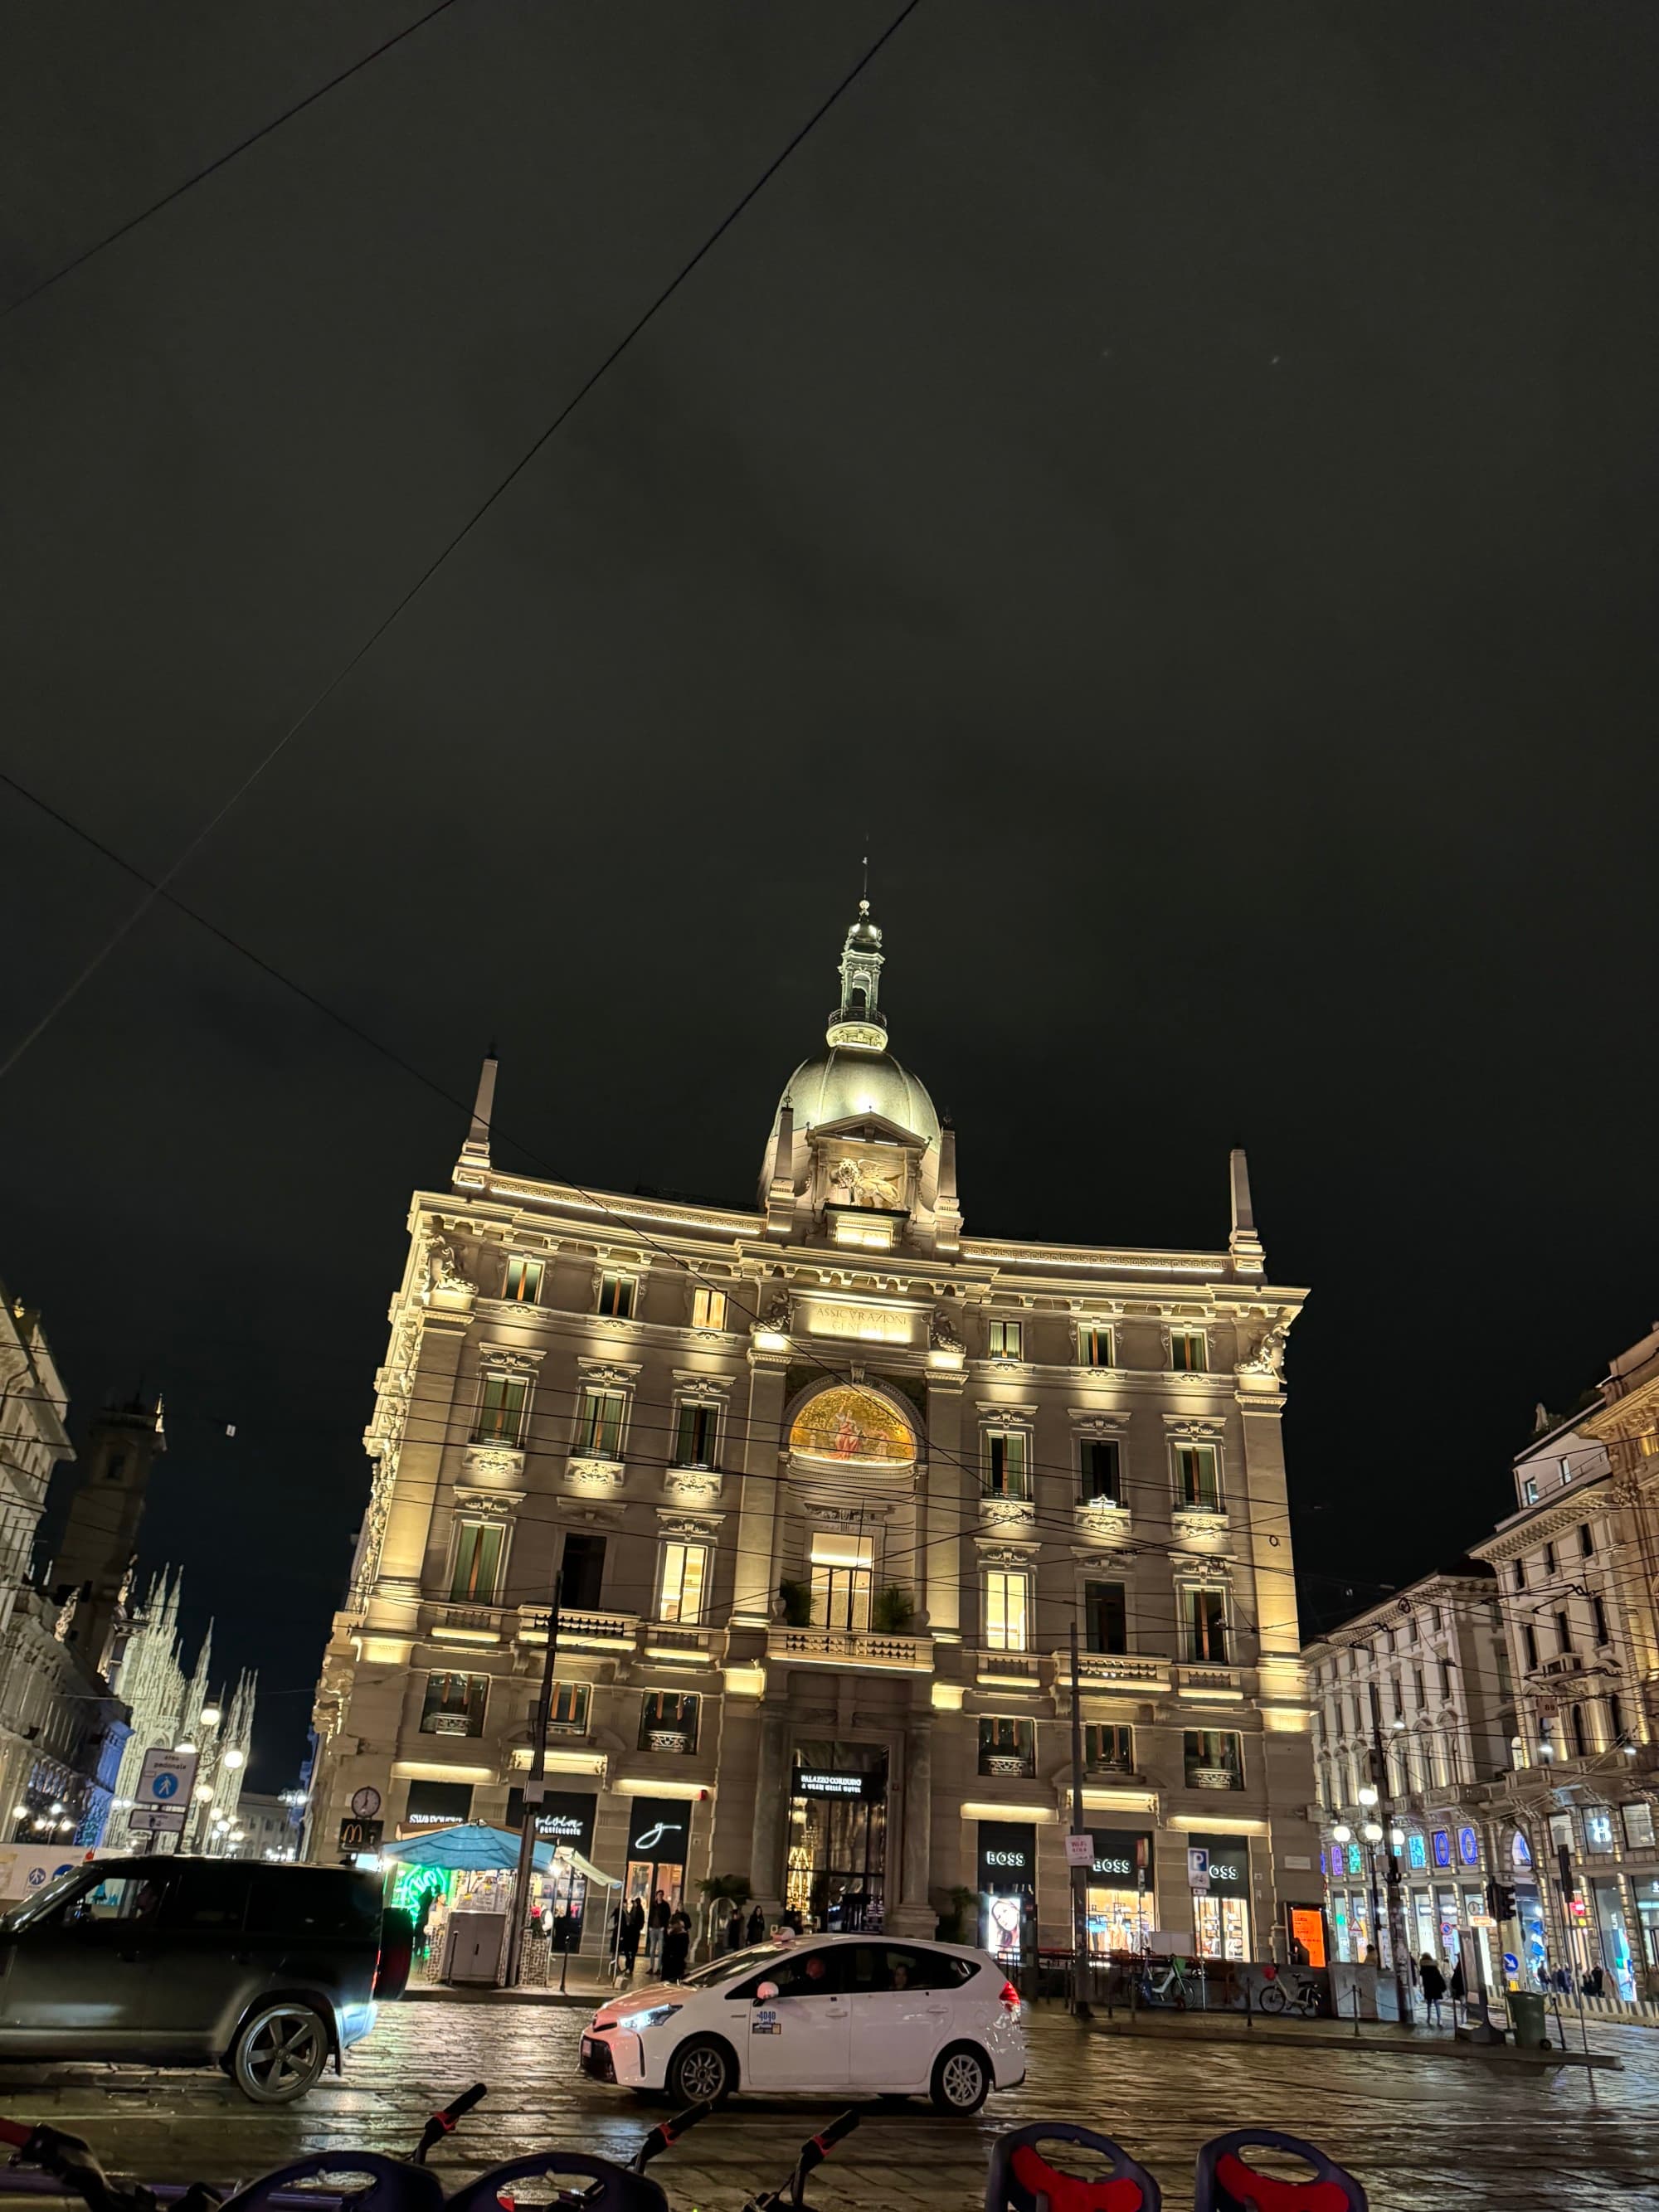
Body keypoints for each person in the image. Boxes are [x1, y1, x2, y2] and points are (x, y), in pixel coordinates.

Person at [661, 1911, 690, 1983]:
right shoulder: (678, 1935)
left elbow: (680, 1952)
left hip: (673, 1965)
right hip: (673, 1965)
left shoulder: (679, 1936)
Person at [1419, 1953, 1447, 2027]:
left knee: (1429, 2004)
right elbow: (1439, 1977)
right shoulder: (1434, 1966)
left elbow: (1421, 1976)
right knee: (1437, 2004)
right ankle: (1439, 2019)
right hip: (1435, 1987)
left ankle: (1429, 2018)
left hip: (1428, 1988)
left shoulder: (1423, 1967)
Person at [647, 1889, 670, 1973]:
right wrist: (649, 1926)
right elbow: (650, 1916)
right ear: (656, 1896)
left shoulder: (665, 1905)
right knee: (652, 1949)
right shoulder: (653, 1905)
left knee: (660, 1950)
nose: (660, 1896)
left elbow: (668, 1917)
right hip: (653, 1929)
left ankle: (659, 1968)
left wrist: (664, 1926)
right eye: (658, 1895)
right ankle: (651, 1967)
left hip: (660, 1929)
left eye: (661, 1895)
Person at [620, 1897, 645, 1975]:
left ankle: (630, 1968)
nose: (633, 1904)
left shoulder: (640, 1911)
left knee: (632, 1952)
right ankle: (628, 1966)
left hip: (634, 1933)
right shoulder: (633, 1910)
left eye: (634, 1903)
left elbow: (640, 1922)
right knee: (628, 1951)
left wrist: (635, 1926)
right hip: (630, 1933)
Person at [1449, 1956, 1467, 2020]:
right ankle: (1465, 2021)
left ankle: (1464, 2021)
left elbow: (1454, 1981)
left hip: (1462, 1991)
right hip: (1467, 1990)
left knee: (1464, 2008)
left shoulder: (1459, 1967)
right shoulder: (1468, 1964)